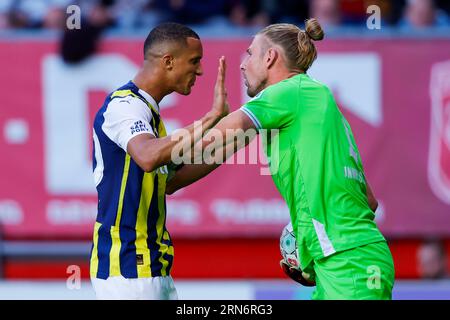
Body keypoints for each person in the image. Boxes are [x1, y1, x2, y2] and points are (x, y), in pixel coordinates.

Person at [167, 18, 395, 300]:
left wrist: (159, 151)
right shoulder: (310, 104)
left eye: (250, 53)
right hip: (344, 260)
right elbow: (369, 202)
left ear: (271, 56)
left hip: (351, 264)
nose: (243, 63)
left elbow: (222, 133)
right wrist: (170, 180)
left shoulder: (291, 92)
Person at [89, 22, 228, 299]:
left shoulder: (148, 114)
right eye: (194, 61)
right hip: (128, 270)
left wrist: (242, 136)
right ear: (168, 61)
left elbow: (172, 180)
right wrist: (211, 117)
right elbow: (149, 157)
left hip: (151, 267)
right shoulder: (124, 106)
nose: (200, 70)